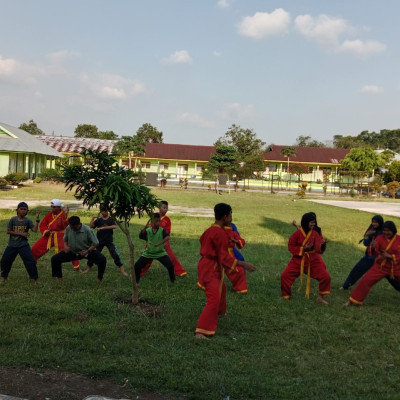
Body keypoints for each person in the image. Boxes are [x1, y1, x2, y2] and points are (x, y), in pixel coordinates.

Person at [195, 203, 256, 339]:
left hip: (209, 264)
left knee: (221, 289)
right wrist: (243, 264)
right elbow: (224, 258)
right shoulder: (219, 233)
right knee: (213, 299)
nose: (231, 218)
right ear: (225, 217)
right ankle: (201, 331)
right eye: (230, 215)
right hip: (211, 267)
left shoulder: (211, 230)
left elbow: (203, 240)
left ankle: (219, 313)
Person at [344, 221, 400, 307]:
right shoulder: (380, 238)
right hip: (381, 266)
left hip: (396, 267)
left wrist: (391, 257)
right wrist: (373, 247)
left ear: (393, 230)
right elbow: (374, 250)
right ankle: (353, 300)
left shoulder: (398, 239)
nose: (386, 232)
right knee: (365, 281)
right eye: (384, 230)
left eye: (388, 230)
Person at [281, 212, 330, 304]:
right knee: (285, 276)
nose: (313, 224)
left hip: (313, 259)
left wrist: (322, 245)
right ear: (305, 222)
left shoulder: (316, 232)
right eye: (311, 222)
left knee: (326, 277)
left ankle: (320, 297)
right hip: (298, 259)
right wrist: (303, 249)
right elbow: (291, 246)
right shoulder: (297, 233)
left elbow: (318, 249)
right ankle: (286, 295)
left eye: (314, 222)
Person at [51, 216, 106, 282]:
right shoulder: (69, 228)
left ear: (79, 224)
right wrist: (65, 246)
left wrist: (87, 251)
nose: (73, 229)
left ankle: (99, 279)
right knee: (55, 259)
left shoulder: (87, 230)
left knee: (102, 260)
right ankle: (59, 278)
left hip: (86, 251)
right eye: (71, 227)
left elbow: (96, 243)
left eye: (74, 227)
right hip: (73, 251)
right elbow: (65, 239)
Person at [139, 201, 187, 277]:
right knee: (146, 259)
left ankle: (180, 271)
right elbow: (149, 229)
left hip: (163, 243)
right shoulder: (153, 217)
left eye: (167, 208)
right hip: (151, 243)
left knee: (171, 257)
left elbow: (167, 232)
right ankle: (139, 272)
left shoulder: (167, 220)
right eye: (164, 207)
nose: (166, 209)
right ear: (159, 207)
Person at [31, 199, 80, 271]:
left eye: (54, 207)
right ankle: (32, 264)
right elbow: (42, 225)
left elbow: (65, 225)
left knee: (69, 250)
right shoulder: (49, 214)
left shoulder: (63, 214)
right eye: (52, 207)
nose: (52, 208)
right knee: (35, 249)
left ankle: (77, 268)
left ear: (59, 207)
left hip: (61, 235)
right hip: (49, 235)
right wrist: (45, 231)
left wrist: (66, 214)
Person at [340, 215, 384, 290]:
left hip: (380, 259)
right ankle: (346, 285)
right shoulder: (371, 230)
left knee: (392, 275)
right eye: (373, 222)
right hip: (369, 257)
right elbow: (366, 243)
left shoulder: (383, 232)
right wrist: (367, 235)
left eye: (376, 222)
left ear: (380, 223)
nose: (374, 224)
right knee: (357, 269)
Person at [1, 202, 40, 282]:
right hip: (12, 245)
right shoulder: (13, 219)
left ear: (27, 211)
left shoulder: (27, 221)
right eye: (21, 209)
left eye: (25, 209)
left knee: (30, 261)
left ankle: (35, 278)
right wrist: (21, 233)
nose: (23, 211)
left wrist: (37, 219)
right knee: (5, 260)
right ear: (17, 210)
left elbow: (35, 230)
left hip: (23, 245)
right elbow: (8, 231)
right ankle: (4, 277)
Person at [85, 206, 128, 276]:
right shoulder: (99, 220)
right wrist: (93, 218)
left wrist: (103, 227)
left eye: (105, 211)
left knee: (115, 255)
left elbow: (114, 226)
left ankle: (122, 271)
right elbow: (91, 226)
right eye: (102, 211)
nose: (103, 213)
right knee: (92, 254)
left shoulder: (111, 219)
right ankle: (88, 268)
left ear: (107, 211)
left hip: (109, 241)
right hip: (99, 241)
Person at [134, 213, 175, 284]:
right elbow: (141, 236)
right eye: (156, 221)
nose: (158, 223)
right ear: (152, 221)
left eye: (159, 221)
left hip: (160, 253)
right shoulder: (148, 230)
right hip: (149, 253)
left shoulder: (162, 230)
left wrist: (159, 243)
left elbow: (167, 237)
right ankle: (136, 280)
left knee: (170, 265)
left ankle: (173, 281)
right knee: (137, 266)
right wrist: (145, 227)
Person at [223, 221, 248, 294]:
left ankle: (240, 284)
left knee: (240, 260)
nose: (230, 218)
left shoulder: (232, 226)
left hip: (230, 249)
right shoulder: (216, 228)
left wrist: (237, 241)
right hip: (219, 250)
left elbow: (238, 238)